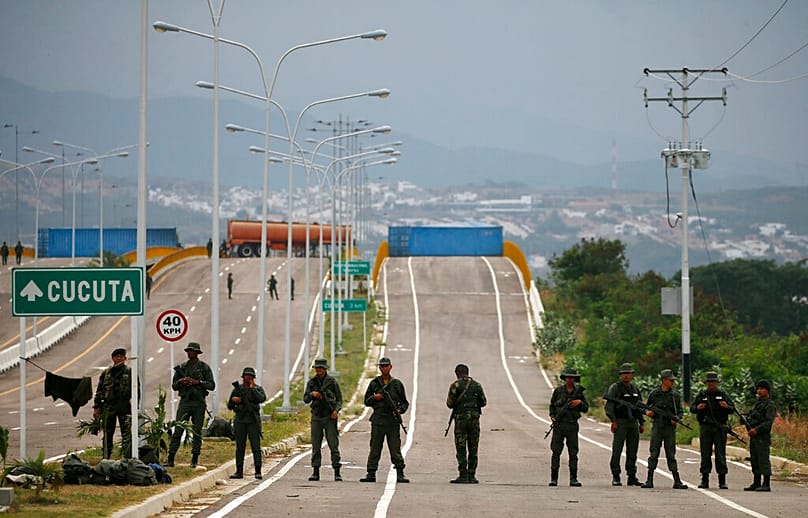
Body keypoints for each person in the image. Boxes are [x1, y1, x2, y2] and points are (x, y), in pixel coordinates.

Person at [360, 357, 410, 483]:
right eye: (382, 366)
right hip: (378, 421)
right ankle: (371, 473)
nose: (384, 368)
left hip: (392, 422)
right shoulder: (374, 383)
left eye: (386, 366)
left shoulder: (397, 384)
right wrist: (375, 398)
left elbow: (404, 403)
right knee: (375, 448)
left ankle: (400, 472)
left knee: (395, 448)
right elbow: (366, 401)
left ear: (390, 367)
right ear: (379, 368)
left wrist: (398, 411)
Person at [166, 342, 216, 468]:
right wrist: (182, 381)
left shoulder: (204, 368)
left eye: (192, 351)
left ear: (197, 353)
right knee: (178, 430)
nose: (190, 353)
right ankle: (171, 457)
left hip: (198, 402)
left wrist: (197, 382)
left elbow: (211, 385)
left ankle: (195, 458)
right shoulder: (182, 368)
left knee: (197, 431)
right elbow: (174, 385)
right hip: (185, 401)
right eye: (189, 351)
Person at [641, 369, 688, 489]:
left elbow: (680, 412)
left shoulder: (675, 396)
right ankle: (649, 480)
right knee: (654, 453)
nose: (672, 382)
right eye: (670, 380)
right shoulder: (655, 394)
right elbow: (646, 407)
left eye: (673, 380)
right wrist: (648, 412)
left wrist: (676, 418)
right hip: (657, 426)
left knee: (671, 454)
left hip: (669, 428)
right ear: (663, 380)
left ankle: (677, 480)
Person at [690, 371, 734, 489]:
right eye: (709, 382)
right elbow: (692, 408)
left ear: (716, 382)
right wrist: (698, 407)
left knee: (720, 454)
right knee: (705, 454)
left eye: (713, 381)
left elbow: (732, 408)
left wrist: (726, 406)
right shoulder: (702, 394)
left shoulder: (722, 394)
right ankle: (704, 479)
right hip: (706, 427)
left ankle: (722, 480)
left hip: (719, 427)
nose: (711, 384)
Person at [604, 362, 645, 486]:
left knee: (633, 451)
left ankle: (631, 476)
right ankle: (616, 476)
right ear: (620, 375)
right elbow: (609, 406)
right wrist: (613, 421)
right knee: (617, 450)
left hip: (633, 423)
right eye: (623, 374)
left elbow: (639, 407)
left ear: (632, 375)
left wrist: (641, 422)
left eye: (628, 373)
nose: (626, 376)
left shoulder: (635, 389)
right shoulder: (615, 388)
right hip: (620, 422)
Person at [446, 363, 487, 484]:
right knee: (473, 447)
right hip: (474, 420)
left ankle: (463, 474)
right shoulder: (477, 385)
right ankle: (472, 475)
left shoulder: (455, 385)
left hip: (461, 420)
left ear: (457, 374)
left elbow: (449, 404)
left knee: (461, 446)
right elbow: (484, 402)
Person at [303, 358, 343, 481]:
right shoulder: (312, 383)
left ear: (325, 369)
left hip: (329, 417)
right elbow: (305, 399)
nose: (318, 370)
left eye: (320, 368)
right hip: (317, 416)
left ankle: (337, 471)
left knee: (333, 445)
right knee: (316, 445)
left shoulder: (331, 382)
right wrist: (312, 395)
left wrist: (336, 411)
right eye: (317, 368)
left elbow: (339, 400)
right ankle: (315, 471)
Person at [548, 367, 588, 487]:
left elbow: (586, 408)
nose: (570, 379)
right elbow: (552, 406)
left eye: (572, 377)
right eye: (568, 377)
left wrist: (579, 403)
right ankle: (554, 478)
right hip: (559, 426)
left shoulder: (579, 393)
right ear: (565, 378)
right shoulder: (558, 391)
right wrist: (553, 417)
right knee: (556, 452)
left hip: (572, 426)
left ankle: (573, 478)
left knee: (573, 452)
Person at [93, 348, 135, 459]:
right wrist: (96, 407)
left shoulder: (130, 372)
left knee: (126, 433)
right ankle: (106, 456)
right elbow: (99, 391)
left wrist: (136, 407)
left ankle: (127, 456)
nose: (119, 358)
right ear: (113, 358)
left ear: (125, 358)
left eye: (122, 356)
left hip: (124, 406)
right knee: (107, 434)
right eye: (117, 356)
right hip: (109, 407)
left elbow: (136, 390)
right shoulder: (106, 373)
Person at [227, 367, 266, 480]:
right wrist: (234, 401)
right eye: (246, 376)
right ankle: (239, 471)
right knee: (240, 447)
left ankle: (258, 471)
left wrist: (252, 389)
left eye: (250, 376)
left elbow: (262, 398)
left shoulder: (257, 389)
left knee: (256, 447)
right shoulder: (237, 389)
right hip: (240, 420)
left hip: (253, 421)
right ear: (243, 377)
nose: (248, 378)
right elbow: (230, 406)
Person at [744, 379, 776, 492]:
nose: (759, 391)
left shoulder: (769, 405)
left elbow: (768, 422)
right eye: (758, 389)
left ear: (767, 391)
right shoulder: (757, 404)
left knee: (763, 459)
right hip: (754, 436)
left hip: (762, 436)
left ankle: (766, 483)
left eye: (762, 389)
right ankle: (756, 482)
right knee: (755, 459)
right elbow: (752, 417)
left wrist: (756, 430)